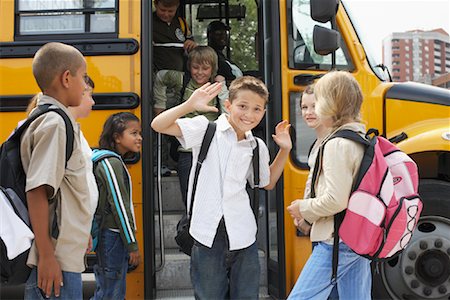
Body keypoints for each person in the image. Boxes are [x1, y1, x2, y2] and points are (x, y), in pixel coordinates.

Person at [151, 76, 292, 299]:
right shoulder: (206, 130)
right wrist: (189, 105)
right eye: (242, 106)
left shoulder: (257, 146)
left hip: (244, 233)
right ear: (228, 105)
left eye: (257, 109)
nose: (249, 114)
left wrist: (284, 150)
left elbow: (267, 182)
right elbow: (158, 124)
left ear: (263, 112)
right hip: (207, 233)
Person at [286, 71, 371, 299]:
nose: (313, 109)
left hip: (336, 241)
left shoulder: (336, 144)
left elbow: (336, 199)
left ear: (332, 104)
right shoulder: (359, 138)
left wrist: (302, 208)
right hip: (356, 237)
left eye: (319, 101)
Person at [21, 42, 92, 299]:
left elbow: (64, 191)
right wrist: (48, 257)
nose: (85, 86)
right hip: (56, 265)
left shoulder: (50, 117)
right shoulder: (55, 123)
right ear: (66, 78)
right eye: (83, 77)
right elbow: (38, 190)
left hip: (63, 258)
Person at [153, 46, 228, 206]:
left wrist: (222, 87)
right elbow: (160, 77)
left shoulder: (217, 86)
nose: (200, 72)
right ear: (189, 67)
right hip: (186, 150)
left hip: (213, 150)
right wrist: (160, 106)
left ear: (213, 69)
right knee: (190, 198)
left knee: (214, 198)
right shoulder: (182, 80)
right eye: (195, 67)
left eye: (205, 68)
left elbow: (228, 114)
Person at [91, 112, 142, 300]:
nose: (139, 138)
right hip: (112, 236)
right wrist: (132, 245)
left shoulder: (111, 160)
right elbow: (119, 206)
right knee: (111, 292)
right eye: (134, 133)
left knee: (109, 289)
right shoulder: (110, 162)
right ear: (117, 137)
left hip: (111, 236)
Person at [153, 0, 197, 72]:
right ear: (155, 4)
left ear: (177, 6)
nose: (166, 14)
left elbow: (191, 44)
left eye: (170, 11)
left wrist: (191, 44)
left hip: (180, 74)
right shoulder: (148, 22)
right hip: (157, 76)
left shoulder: (182, 23)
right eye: (162, 10)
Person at [207, 20, 243, 86]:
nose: (222, 36)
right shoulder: (210, 57)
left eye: (225, 33)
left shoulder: (222, 56)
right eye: (218, 33)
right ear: (209, 36)